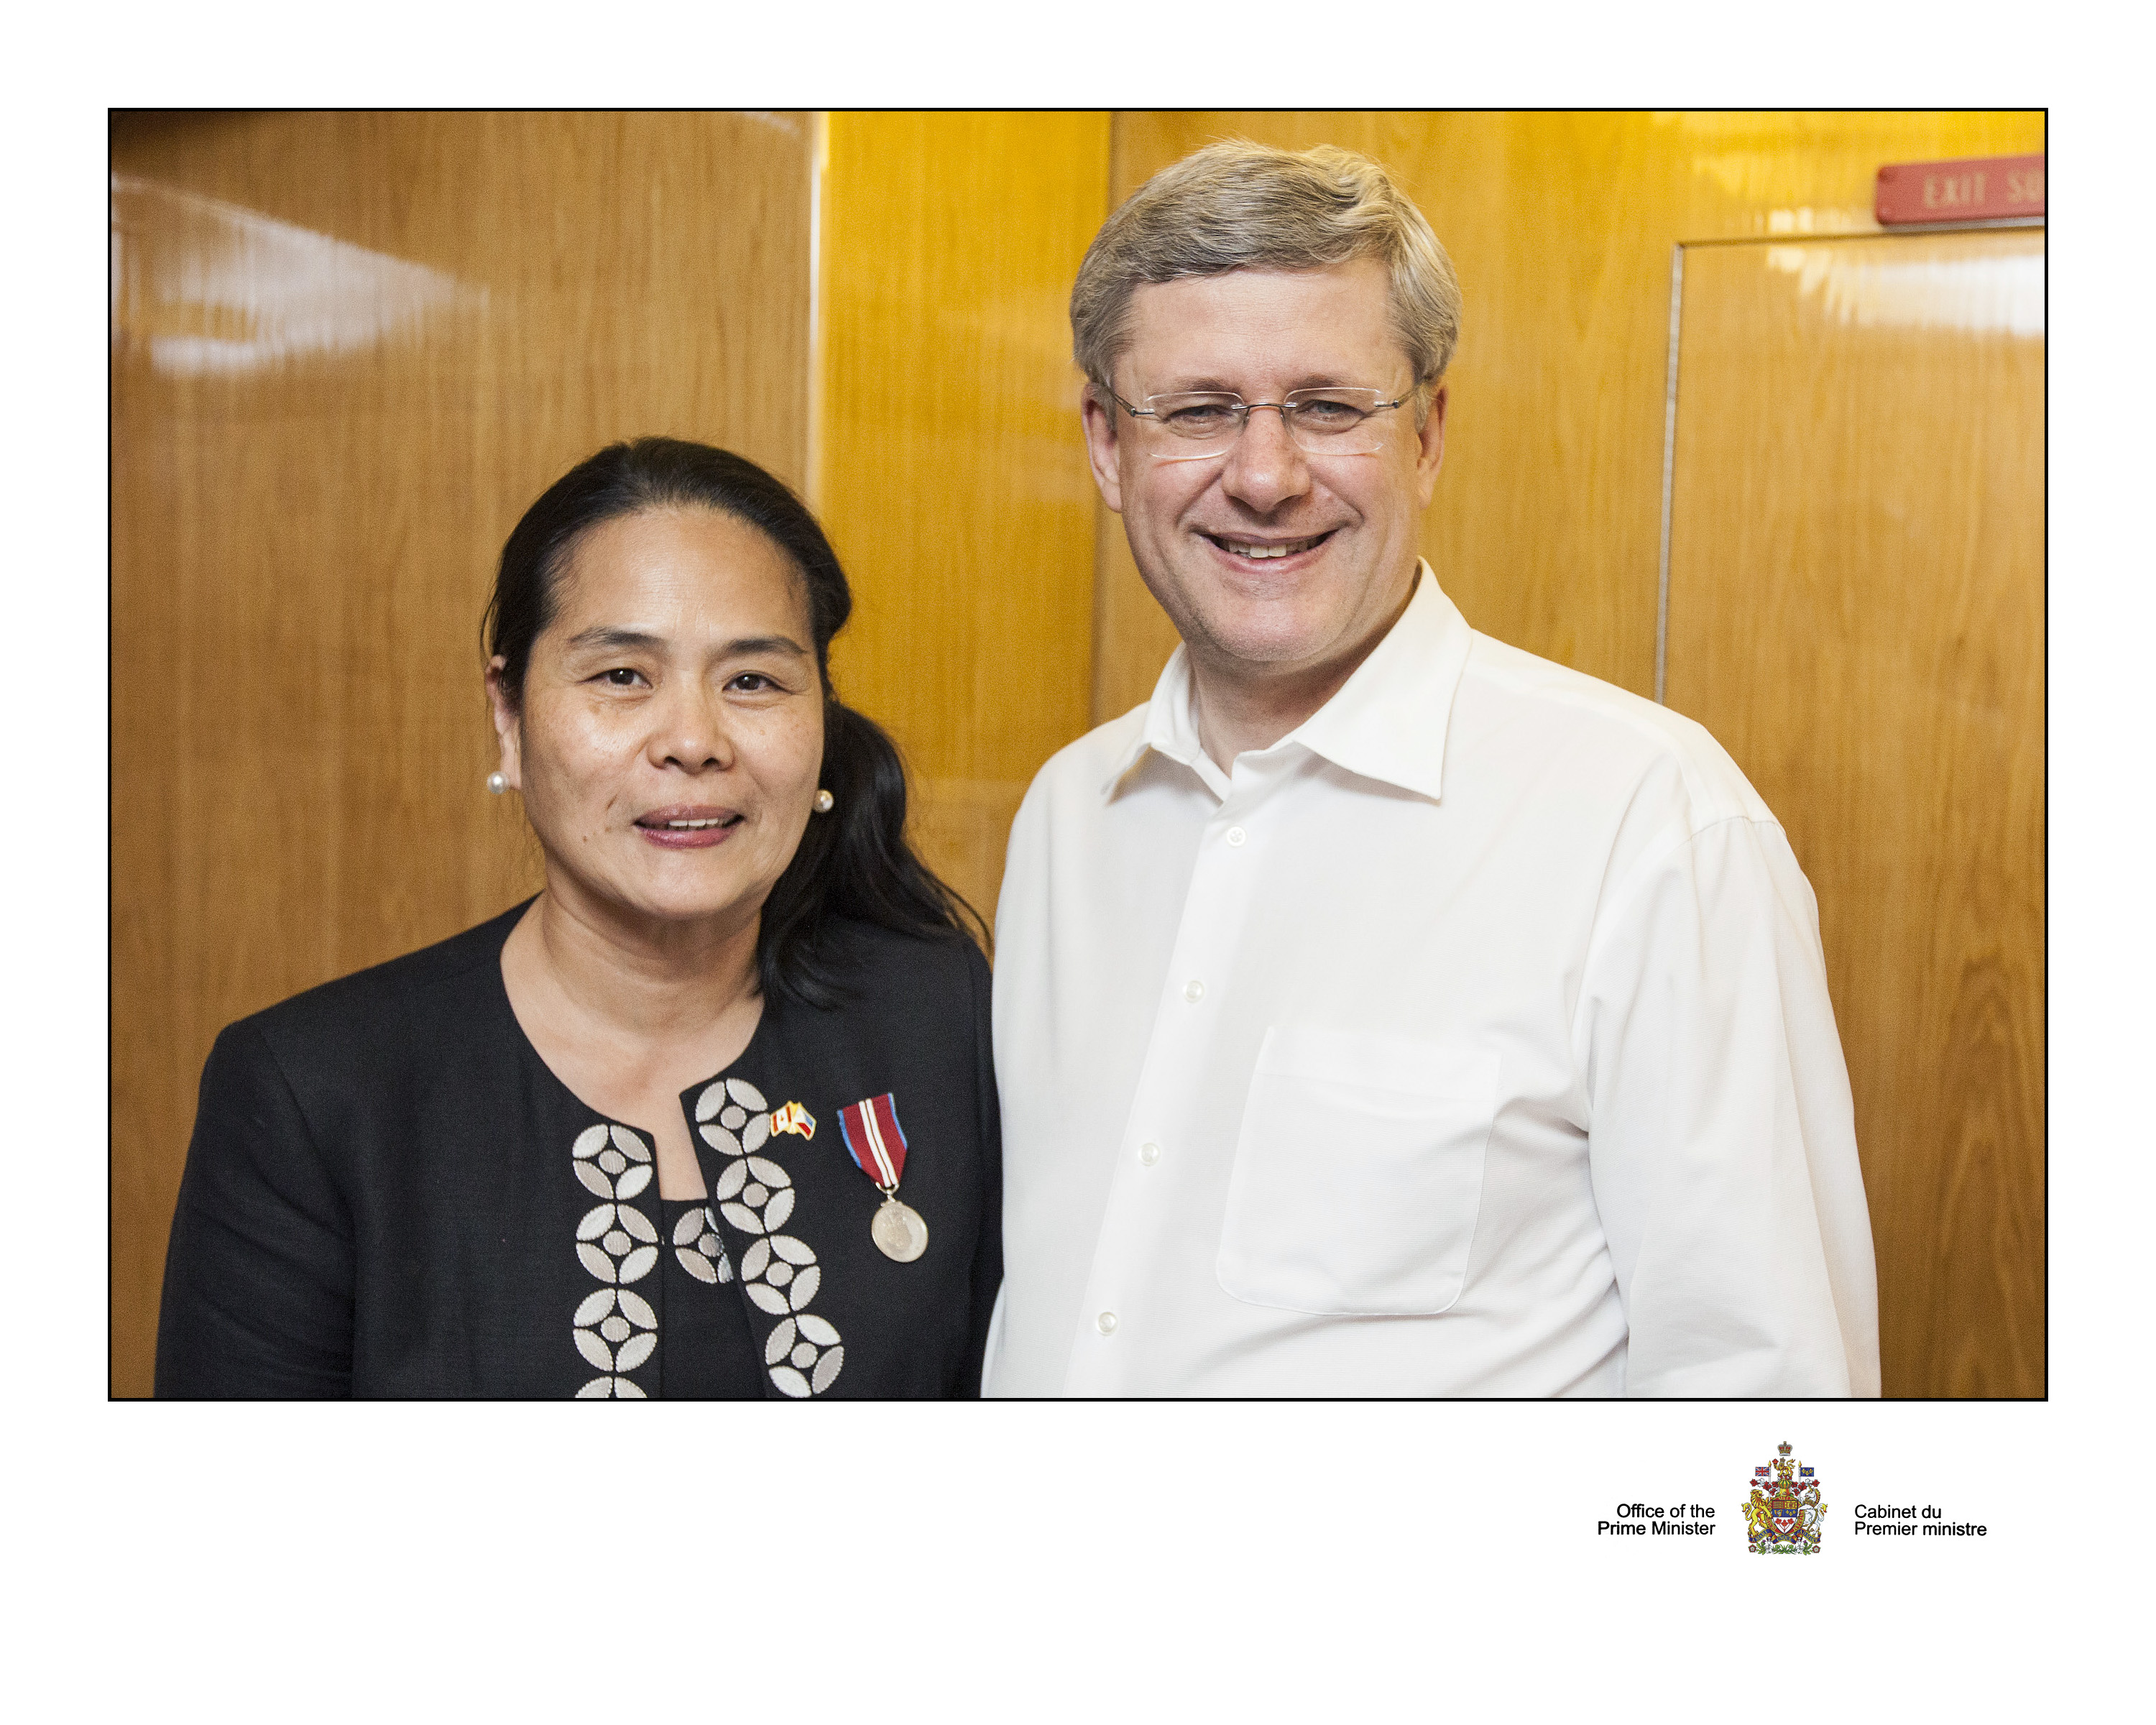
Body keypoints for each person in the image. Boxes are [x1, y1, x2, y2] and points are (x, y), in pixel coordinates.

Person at [985, 142, 1879, 1397]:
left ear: (1429, 433)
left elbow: (1764, 1386)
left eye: (1327, 407)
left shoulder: (1650, 825)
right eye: (1197, 411)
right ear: (1104, 444)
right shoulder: (1069, 815)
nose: (1264, 475)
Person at [157, 438, 1000, 1398]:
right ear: (509, 716)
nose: (694, 741)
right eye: (621, 676)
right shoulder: (314, 1094)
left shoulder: (939, 1022)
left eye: (753, 681)